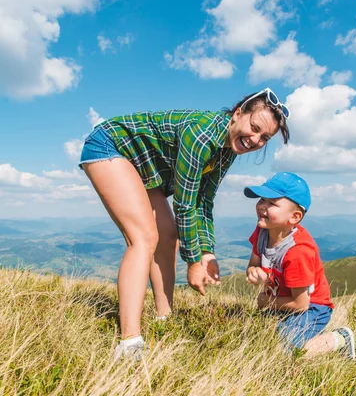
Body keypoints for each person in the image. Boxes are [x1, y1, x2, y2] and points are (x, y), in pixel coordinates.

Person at [78, 88, 291, 359]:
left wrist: (207, 253)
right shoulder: (202, 135)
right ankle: (129, 343)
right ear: (238, 113)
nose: (255, 140)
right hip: (110, 145)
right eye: (254, 127)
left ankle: (165, 319)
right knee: (143, 238)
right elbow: (185, 202)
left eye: (265, 138)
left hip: (142, 167)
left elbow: (204, 201)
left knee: (168, 235)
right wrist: (192, 262)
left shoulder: (227, 150)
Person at [244, 172, 356, 359]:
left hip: (312, 307)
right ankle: (306, 333)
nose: (262, 205)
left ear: (295, 217)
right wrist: (254, 273)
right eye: (262, 199)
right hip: (283, 301)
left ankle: (340, 338)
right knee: (256, 335)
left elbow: (300, 304)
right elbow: (253, 265)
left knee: (283, 350)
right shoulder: (263, 231)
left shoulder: (298, 252)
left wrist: (266, 301)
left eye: (272, 203)